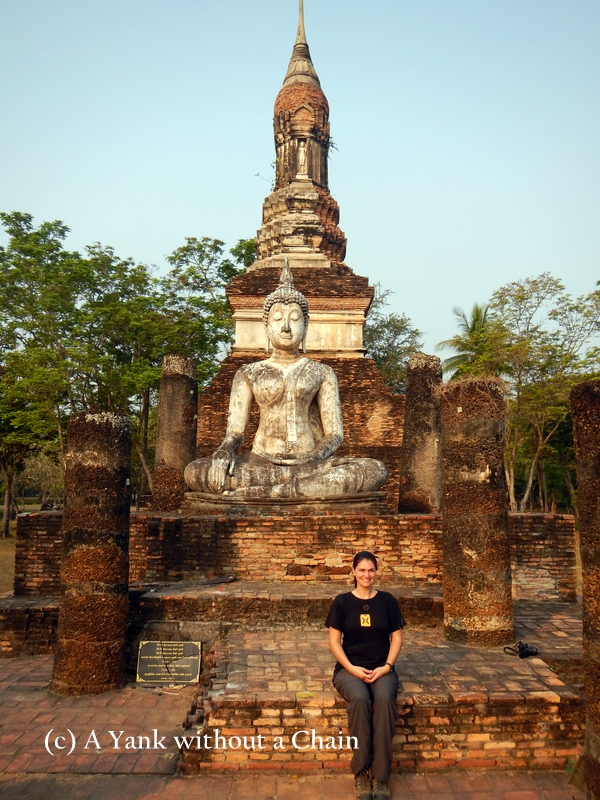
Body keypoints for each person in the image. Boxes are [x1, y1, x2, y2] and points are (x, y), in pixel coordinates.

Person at [184, 261, 388, 499]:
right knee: (196, 471)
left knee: (374, 470)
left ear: (306, 325)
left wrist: (310, 458)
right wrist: (224, 450)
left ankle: (272, 492)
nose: (286, 326)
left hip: (310, 463)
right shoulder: (248, 372)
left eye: (294, 318)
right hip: (261, 462)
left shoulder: (322, 372)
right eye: (278, 318)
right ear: (266, 326)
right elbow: (235, 432)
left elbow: (335, 435)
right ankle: (290, 489)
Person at [325, 551, 405, 800]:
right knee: (360, 699)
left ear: (376, 572)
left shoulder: (388, 601)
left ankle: (380, 778)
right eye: (361, 570)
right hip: (349, 670)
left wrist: (387, 667)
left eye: (371, 570)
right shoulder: (342, 602)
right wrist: (350, 668)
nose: (366, 575)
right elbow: (334, 642)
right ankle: (361, 773)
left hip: (382, 668)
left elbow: (397, 638)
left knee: (383, 701)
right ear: (353, 572)